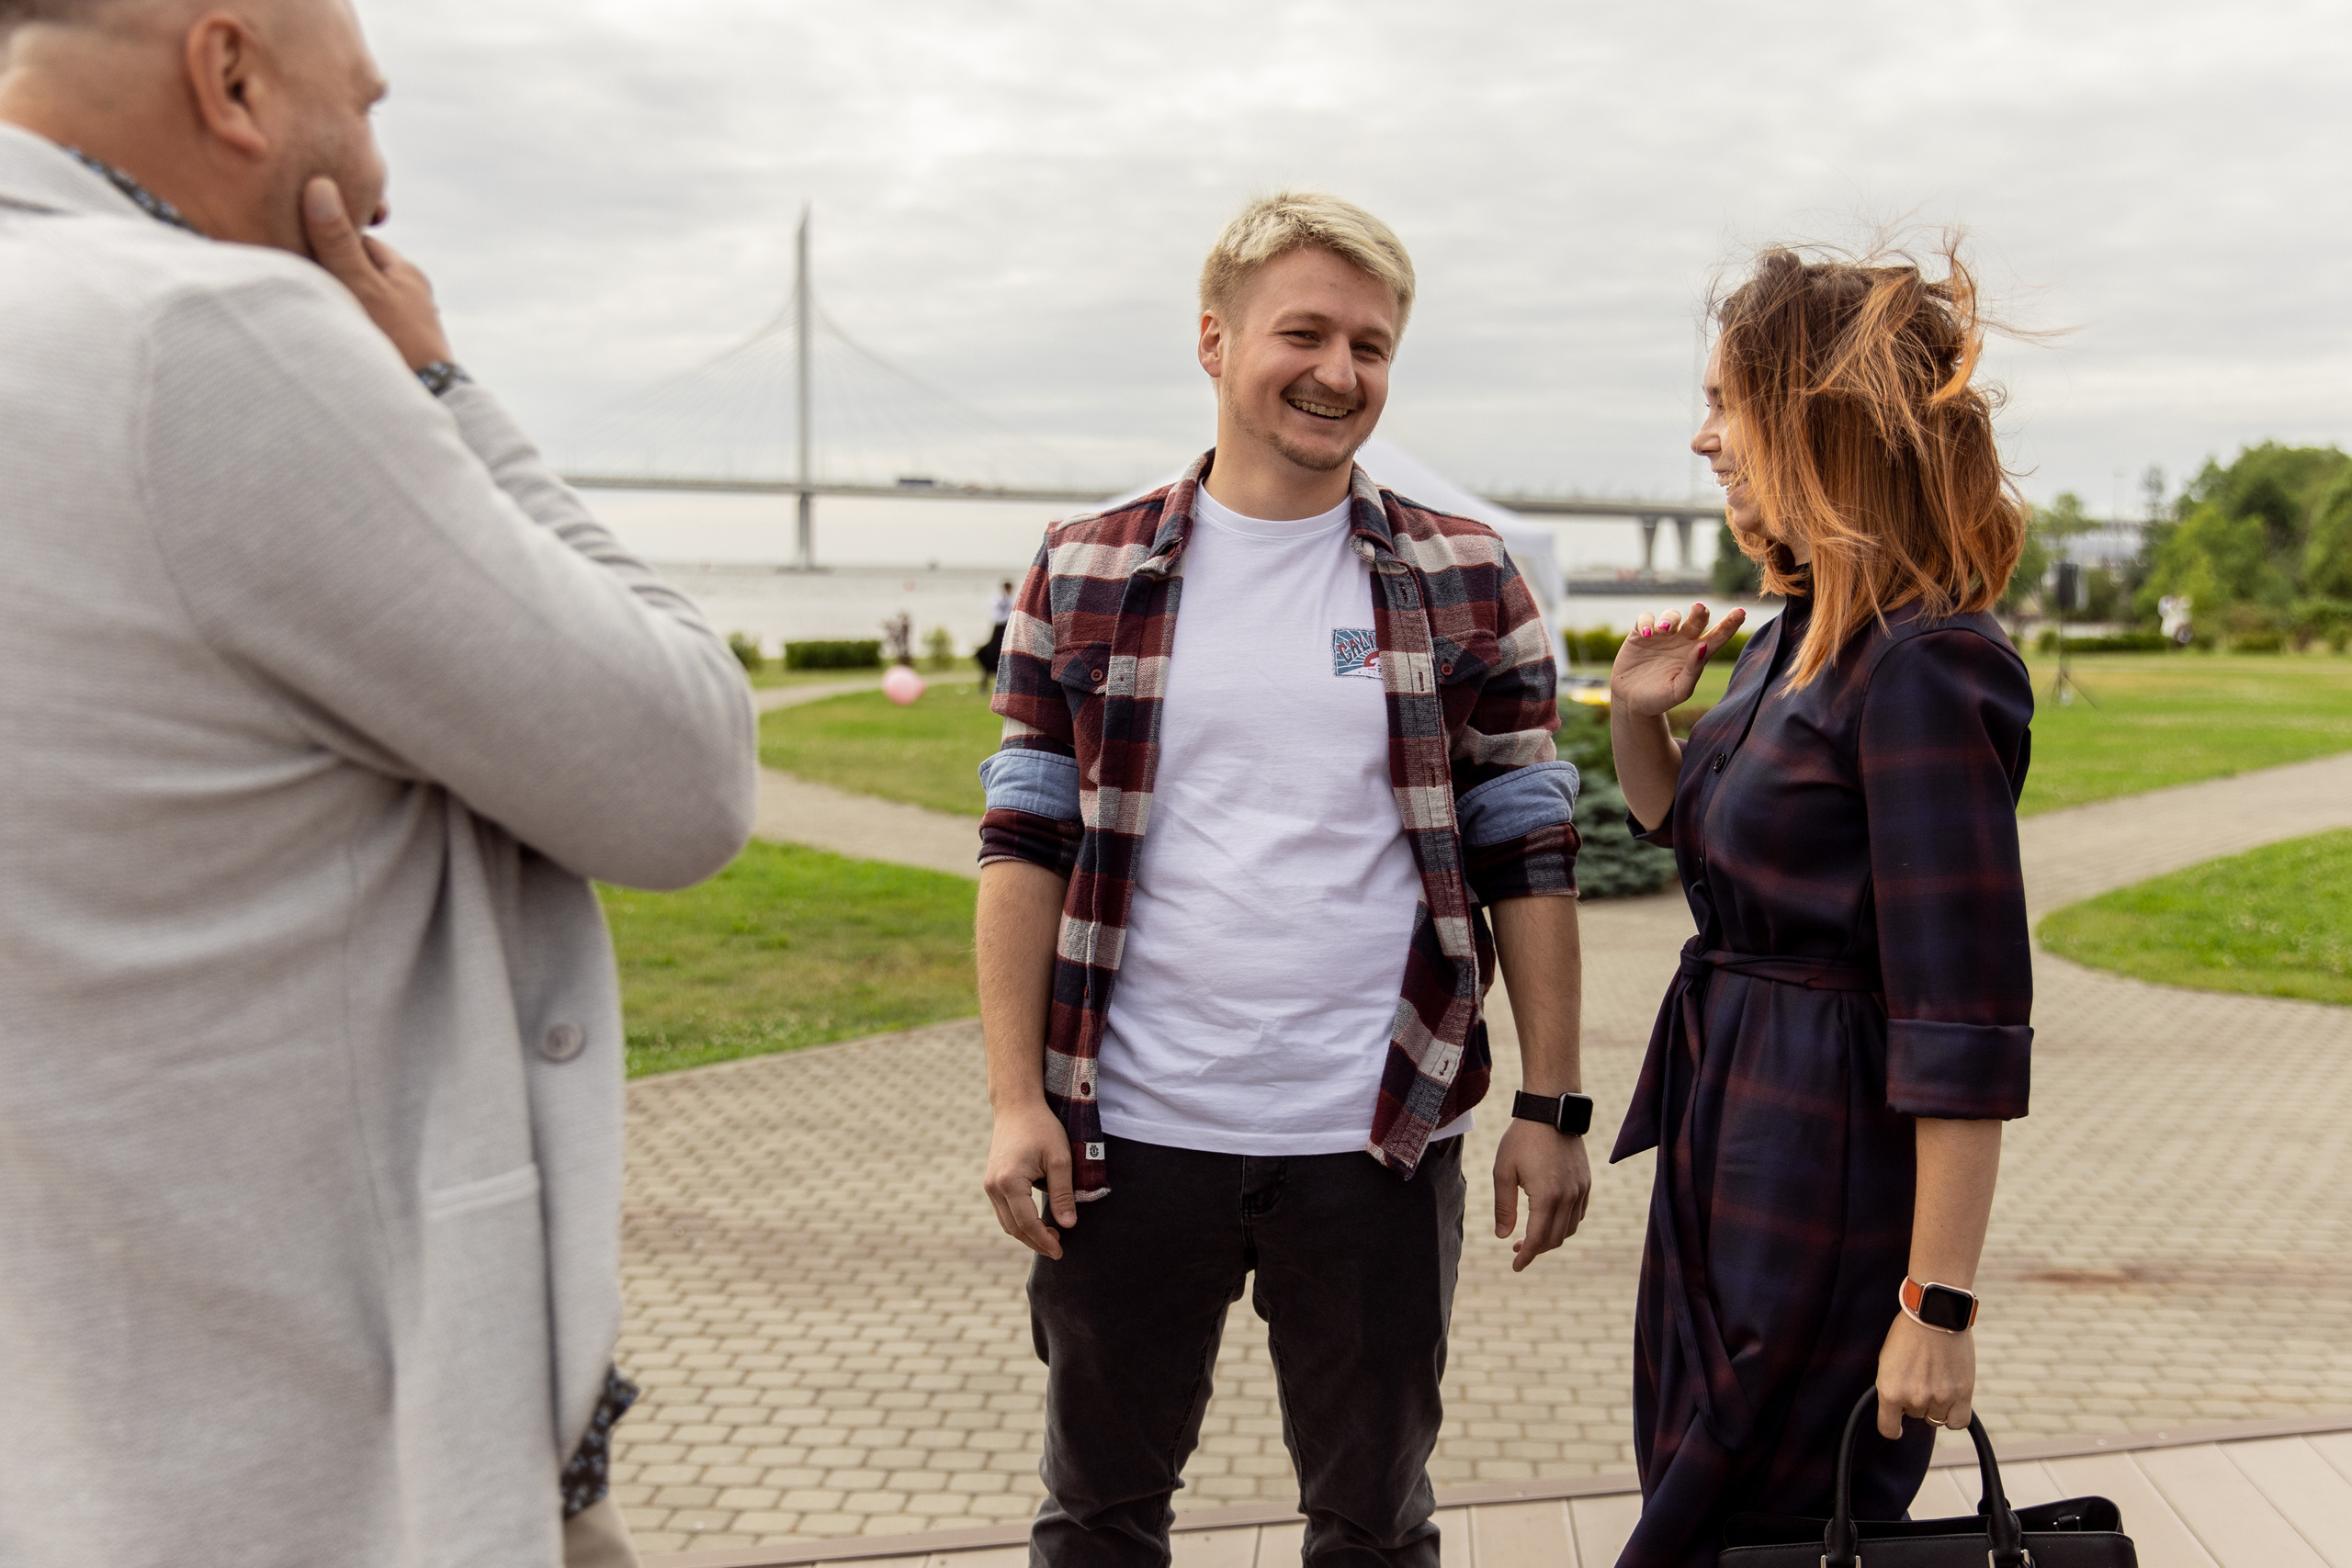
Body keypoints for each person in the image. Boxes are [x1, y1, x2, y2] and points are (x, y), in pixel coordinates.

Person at [0, 3, 756, 1565]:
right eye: (364, 104)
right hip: (341, 1464)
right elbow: (680, 768)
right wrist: (437, 380)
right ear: (229, 75)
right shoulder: (199, 338)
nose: (383, 180)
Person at [974, 191, 1591, 1567]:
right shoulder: (1082, 567)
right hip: (1128, 1134)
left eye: (1371, 346)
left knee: (1374, 1525)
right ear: (1214, 340)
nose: (1338, 371)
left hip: (1377, 1135)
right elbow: (1024, 839)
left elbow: (1527, 847)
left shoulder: (1465, 573)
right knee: (1097, 1518)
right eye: (1302, 333)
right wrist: (1017, 1100)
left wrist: (1551, 1105)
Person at [1604, 243, 2034, 1567]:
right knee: (1702, 1485)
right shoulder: (1791, 633)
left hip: (1825, 1154)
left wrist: (1936, 1303)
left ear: (1814, 421)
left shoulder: (1926, 666)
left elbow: (1963, 1020)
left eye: (1725, 404)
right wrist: (1636, 720)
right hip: (1723, 1119)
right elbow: (1713, 848)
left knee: (1762, 1516)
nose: (1703, 437)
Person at [976, 577, 1014, 678]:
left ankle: (992, 672)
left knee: (996, 651)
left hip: (1003, 626)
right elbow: (999, 615)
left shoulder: (1006, 600)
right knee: (995, 650)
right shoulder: (1001, 600)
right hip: (1001, 627)